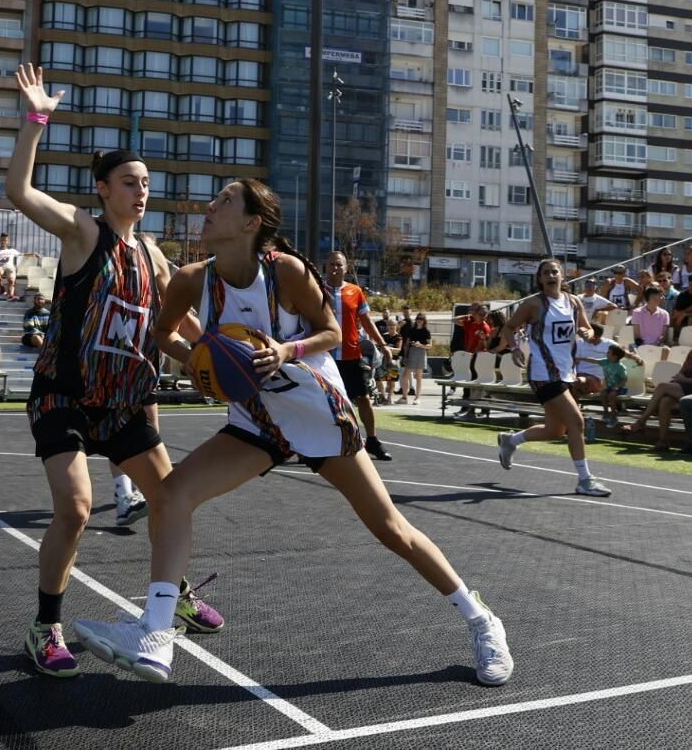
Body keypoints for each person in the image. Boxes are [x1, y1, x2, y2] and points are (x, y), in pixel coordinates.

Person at [73, 177, 514, 687]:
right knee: (172, 496)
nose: (210, 207)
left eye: (224, 201)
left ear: (251, 223)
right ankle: (155, 631)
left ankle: (482, 619)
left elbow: (330, 332)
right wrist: (199, 359)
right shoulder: (192, 279)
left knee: (390, 527)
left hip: (315, 409)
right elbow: (162, 333)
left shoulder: (285, 272)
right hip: (256, 420)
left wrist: (285, 351)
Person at [6, 63, 221, 678]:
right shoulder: (82, 232)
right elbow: (19, 192)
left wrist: (218, 365)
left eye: (147, 182)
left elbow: (175, 336)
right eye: (129, 181)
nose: (141, 190)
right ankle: (45, 624)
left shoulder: (154, 257)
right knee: (76, 509)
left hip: (125, 403)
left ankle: (170, 595)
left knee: (171, 502)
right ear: (103, 188)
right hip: (65, 396)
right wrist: (36, 120)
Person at [497, 260, 611, 497]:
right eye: (545, 272)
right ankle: (585, 480)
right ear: (539, 279)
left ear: (562, 276)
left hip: (566, 372)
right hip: (543, 373)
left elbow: (589, 331)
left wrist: (586, 333)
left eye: (554, 271)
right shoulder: (533, 304)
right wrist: (515, 348)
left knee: (555, 431)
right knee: (576, 422)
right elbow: (508, 328)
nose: (550, 275)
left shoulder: (573, 302)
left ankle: (511, 440)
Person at [323, 251, 392, 460]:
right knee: (323, 401)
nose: (335, 268)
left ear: (346, 268)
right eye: (331, 264)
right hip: (325, 357)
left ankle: (372, 440)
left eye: (339, 264)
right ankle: (316, 444)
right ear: (326, 267)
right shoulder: (316, 289)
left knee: (364, 398)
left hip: (352, 355)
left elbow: (367, 321)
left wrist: (382, 344)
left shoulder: (355, 291)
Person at [619, 348, 692, 451]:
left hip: (690, 392)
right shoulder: (691, 353)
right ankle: (663, 441)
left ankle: (641, 422)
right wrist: (677, 379)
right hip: (681, 387)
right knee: (664, 402)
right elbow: (681, 372)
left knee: (662, 386)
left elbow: (683, 378)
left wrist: (683, 380)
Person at [572, 322, 642, 402]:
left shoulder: (609, 344)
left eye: (587, 334)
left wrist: (638, 359)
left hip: (597, 379)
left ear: (596, 336)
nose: (583, 336)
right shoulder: (579, 343)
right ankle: (573, 410)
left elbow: (626, 354)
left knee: (576, 382)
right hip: (578, 375)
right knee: (569, 383)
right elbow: (574, 360)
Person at [452, 303, 491, 419]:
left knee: (477, 385)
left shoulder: (484, 327)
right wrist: (469, 314)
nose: (483, 316)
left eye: (484, 314)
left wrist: (482, 341)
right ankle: (467, 409)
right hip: (470, 357)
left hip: (478, 359)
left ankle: (478, 410)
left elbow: (484, 346)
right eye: (480, 314)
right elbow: (454, 320)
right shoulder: (471, 323)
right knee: (468, 384)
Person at [575, 345, 628, 428]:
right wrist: (581, 359)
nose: (606, 353)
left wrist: (617, 386)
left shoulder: (620, 367)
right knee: (602, 394)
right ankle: (606, 413)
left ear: (614, 356)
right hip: (609, 387)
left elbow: (624, 379)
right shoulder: (605, 362)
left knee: (611, 395)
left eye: (608, 352)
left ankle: (614, 416)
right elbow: (594, 360)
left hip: (619, 388)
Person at [397, 313, 431, 405]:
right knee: (405, 376)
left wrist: (421, 345)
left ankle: (417, 397)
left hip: (421, 352)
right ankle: (404, 397)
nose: (419, 320)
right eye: (418, 319)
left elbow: (429, 346)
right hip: (411, 352)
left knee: (418, 377)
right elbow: (407, 344)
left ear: (424, 321)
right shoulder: (411, 330)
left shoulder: (426, 331)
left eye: (421, 319)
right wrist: (405, 355)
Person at [0, 233, 20, 300]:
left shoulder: (12, 250)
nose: (3, 242)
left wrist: (34, 254)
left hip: (10, 268)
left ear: (8, 241)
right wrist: (0, 261)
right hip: (0, 267)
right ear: (0, 241)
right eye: (2, 240)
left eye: (5, 240)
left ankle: (11, 295)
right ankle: (2, 288)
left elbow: (23, 254)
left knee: (11, 280)